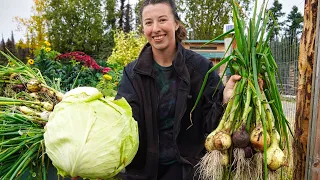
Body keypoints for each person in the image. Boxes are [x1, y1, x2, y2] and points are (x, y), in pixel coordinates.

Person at [115, 0, 241, 179]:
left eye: (162, 20)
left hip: (188, 170)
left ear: (176, 24)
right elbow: (125, 121)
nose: (156, 28)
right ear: (143, 28)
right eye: (149, 22)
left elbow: (212, 127)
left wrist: (224, 100)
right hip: (143, 171)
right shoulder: (133, 73)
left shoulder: (201, 69)